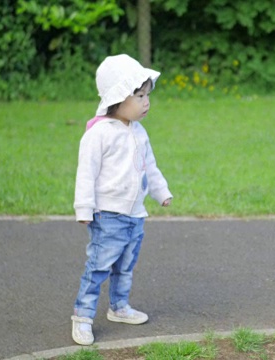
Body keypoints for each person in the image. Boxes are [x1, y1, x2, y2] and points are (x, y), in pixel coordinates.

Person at [70, 54, 173, 346]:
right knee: (99, 265)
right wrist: (84, 208)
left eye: (147, 95)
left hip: (135, 214)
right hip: (108, 215)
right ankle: (82, 315)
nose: (146, 102)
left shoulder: (139, 133)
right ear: (117, 97)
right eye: (139, 96)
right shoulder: (99, 134)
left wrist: (161, 192)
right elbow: (86, 173)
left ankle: (119, 307)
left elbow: (149, 167)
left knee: (125, 265)